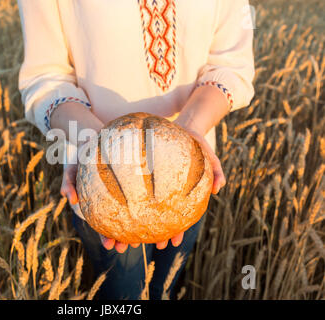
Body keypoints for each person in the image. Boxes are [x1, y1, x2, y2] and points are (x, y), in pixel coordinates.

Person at [17, 0, 255, 300]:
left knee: (164, 288)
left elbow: (231, 64)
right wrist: (98, 144)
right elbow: (45, 78)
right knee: (124, 297)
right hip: (101, 187)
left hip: (188, 182)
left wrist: (189, 130)